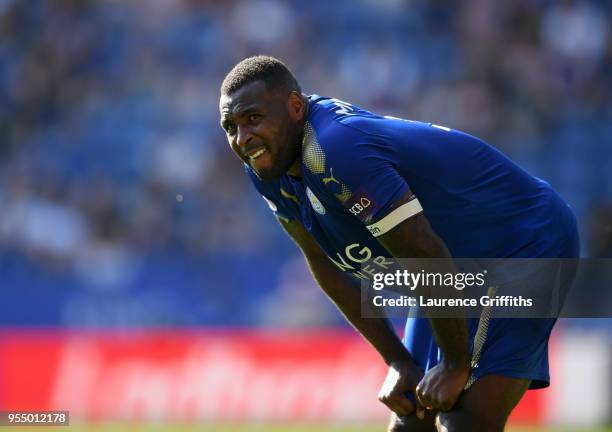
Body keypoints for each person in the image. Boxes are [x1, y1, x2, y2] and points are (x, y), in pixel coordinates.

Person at [218, 56, 579, 432]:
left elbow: (426, 254)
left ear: (295, 107)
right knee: (412, 423)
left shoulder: (336, 150)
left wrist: (456, 365)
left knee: (465, 422)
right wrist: (399, 361)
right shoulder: (267, 165)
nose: (242, 138)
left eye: (252, 119)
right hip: (448, 268)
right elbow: (324, 263)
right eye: (230, 127)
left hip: (521, 239)